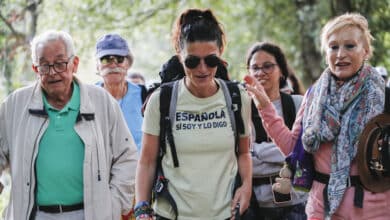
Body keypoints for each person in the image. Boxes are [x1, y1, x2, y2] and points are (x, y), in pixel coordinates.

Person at [244, 13, 389, 219]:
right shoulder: (314, 97)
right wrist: (266, 108)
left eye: (350, 46)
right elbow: (292, 148)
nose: (340, 54)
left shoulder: (383, 97)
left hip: (375, 208)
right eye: (333, 47)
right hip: (322, 209)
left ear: (365, 51)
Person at [0, 30, 138, 220]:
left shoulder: (101, 102)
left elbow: (127, 156)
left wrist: (113, 204)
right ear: (35, 69)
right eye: (44, 66)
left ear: (74, 64)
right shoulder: (16, 104)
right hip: (33, 214)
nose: (53, 72)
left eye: (60, 63)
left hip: (90, 215)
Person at [135, 8, 252, 220]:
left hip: (226, 215)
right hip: (172, 214)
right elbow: (147, 161)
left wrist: (247, 187)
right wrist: (142, 208)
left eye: (211, 60)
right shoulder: (161, 100)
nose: (203, 69)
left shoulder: (237, 98)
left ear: (220, 55)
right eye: (192, 61)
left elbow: (243, 153)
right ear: (180, 56)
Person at [246, 42, 307, 220]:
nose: (261, 72)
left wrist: (258, 150)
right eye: (255, 67)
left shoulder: (298, 103)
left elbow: (302, 153)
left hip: (298, 203)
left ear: (281, 70)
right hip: (257, 206)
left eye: (268, 66)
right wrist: (284, 157)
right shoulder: (243, 110)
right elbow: (243, 160)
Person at [95, 34, 145, 152]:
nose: (113, 64)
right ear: (97, 66)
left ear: (128, 64)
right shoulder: (87, 97)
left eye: (119, 59)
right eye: (106, 59)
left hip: (136, 169)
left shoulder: (144, 95)